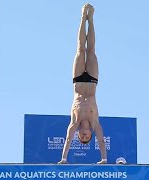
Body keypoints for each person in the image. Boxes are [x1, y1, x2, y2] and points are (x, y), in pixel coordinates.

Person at [58, 3, 107, 164]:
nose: (84, 136)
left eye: (81, 137)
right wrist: (104, 159)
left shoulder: (74, 122)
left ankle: (82, 17)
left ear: (78, 134)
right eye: (87, 137)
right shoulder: (95, 122)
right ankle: (90, 18)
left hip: (78, 80)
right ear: (90, 134)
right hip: (92, 80)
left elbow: (67, 139)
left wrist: (64, 158)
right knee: (91, 50)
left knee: (80, 49)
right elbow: (101, 140)